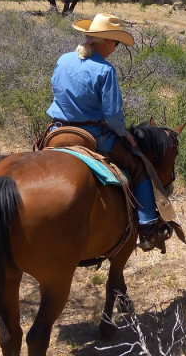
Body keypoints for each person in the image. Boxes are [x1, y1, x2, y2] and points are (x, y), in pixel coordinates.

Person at [45, 13, 165, 251]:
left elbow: (56, 90)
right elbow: (112, 114)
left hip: (57, 129)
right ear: (108, 42)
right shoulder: (105, 70)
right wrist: (124, 133)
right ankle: (148, 228)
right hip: (93, 134)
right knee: (139, 168)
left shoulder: (64, 59)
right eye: (117, 43)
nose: (116, 48)